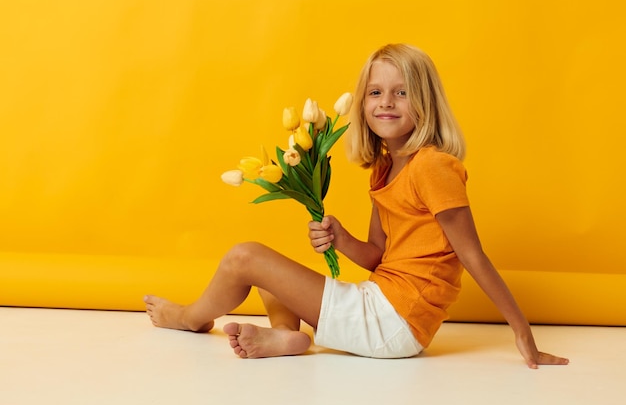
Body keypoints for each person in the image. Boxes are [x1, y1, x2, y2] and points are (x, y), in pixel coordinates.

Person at [144, 43, 569, 368]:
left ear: (426, 102)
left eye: (402, 93)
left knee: (244, 257)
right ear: (363, 103)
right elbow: (377, 257)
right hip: (382, 302)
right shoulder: (385, 169)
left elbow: (472, 254)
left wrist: (523, 333)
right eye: (375, 92)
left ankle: (187, 317)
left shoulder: (433, 166)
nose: (386, 102)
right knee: (273, 279)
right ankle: (286, 338)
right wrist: (341, 239)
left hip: (394, 322)